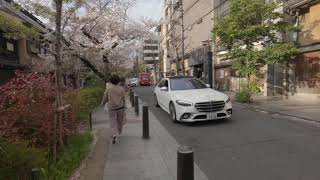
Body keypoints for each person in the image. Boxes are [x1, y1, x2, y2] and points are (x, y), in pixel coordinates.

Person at [101, 75, 126, 144]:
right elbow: (124, 98)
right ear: (118, 81)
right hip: (120, 107)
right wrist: (125, 106)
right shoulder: (121, 88)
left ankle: (114, 134)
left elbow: (105, 98)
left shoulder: (108, 89)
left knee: (112, 121)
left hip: (111, 108)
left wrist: (102, 104)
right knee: (120, 120)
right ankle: (119, 132)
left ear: (111, 81)